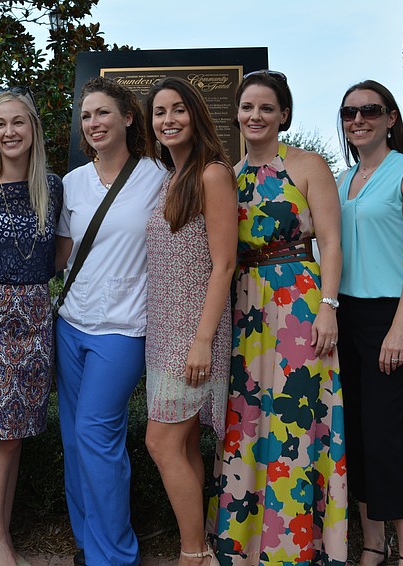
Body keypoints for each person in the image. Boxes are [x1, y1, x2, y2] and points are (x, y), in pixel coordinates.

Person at [206, 70, 348, 565]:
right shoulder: (229, 173)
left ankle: (295, 546)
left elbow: (330, 241)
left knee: (295, 423)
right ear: (237, 114)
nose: (256, 116)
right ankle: (247, 545)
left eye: (267, 108)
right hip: (246, 308)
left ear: (284, 114)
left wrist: (328, 308)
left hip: (299, 305)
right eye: (248, 107)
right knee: (249, 421)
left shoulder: (308, 166)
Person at [55, 76, 166, 566]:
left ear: (127, 117)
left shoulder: (158, 176)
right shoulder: (71, 182)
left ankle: (116, 554)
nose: (93, 123)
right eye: (86, 116)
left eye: (102, 113)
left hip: (123, 329)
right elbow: (61, 255)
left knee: (98, 434)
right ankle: (87, 539)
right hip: (70, 323)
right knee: (74, 435)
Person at [0, 88, 62, 566]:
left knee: (15, 430)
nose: (9, 132)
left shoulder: (53, 186)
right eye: (1, 124)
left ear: (33, 128)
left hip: (36, 315)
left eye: (18, 122)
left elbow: (59, 255)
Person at [335, 80, 403, 566]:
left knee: (384, 434)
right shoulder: (342, 179)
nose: (359, 119)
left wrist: (401, 326)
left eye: (369, 110)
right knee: (353, 430)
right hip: (345, 315)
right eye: (350, 112)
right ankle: (373, 541)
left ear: (390, 118)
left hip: (392, 314)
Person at [142, 77, 237, 566]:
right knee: (183, 444)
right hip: (163, 330)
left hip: (193, 332)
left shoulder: (211, 175)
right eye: (160, 112)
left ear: (196, 115)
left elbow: (223, 264)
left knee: (159, 441)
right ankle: (202, 544)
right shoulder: (169, 177)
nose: (168, 120)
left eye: (178, 109)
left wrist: (202, 341)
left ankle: (192, 552)